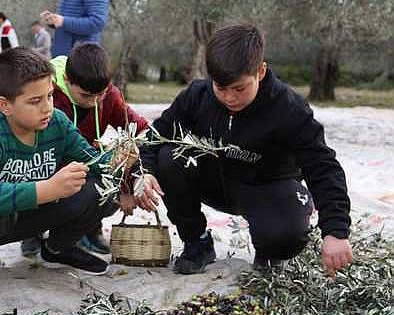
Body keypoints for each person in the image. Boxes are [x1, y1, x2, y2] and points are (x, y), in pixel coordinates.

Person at [136, 24, 353, 277]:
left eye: (239, 88)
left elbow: (323, 167)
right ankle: (197, 242)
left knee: (287, 235)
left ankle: (269, 251)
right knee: (169, 157)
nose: (229, 97)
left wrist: (336, 231)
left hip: (266, 186)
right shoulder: (197, 95)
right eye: (220, 87)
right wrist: (145, 171)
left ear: (260, 71)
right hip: (213, 181)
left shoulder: (289, 109)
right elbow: (156, 135)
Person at [0, 47, 130, 311]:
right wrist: (49, 189)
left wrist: (120, 164)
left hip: (32, 214)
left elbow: (93, 162)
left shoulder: (58, 122)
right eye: (34, 101)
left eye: (50, 96)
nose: (47, 108)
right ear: (5, 105)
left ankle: (57, 249)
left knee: (105, 189)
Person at [20, 43, 149, 256]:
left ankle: (88, 228)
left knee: (107, 187)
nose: (94, 101)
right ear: (68, 81)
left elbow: (140, 129)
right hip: (48, 165)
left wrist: (128, 183)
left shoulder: (110, 96)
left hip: (88, 163)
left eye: (101, 94)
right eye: (86, 96)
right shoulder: (48, 97)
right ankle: (33, 230)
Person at [41, 0, 109, 57]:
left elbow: (97, 23)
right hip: (61, 57)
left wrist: (63, 21)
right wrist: (53, 21)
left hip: (80, 59)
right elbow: (66, 22)